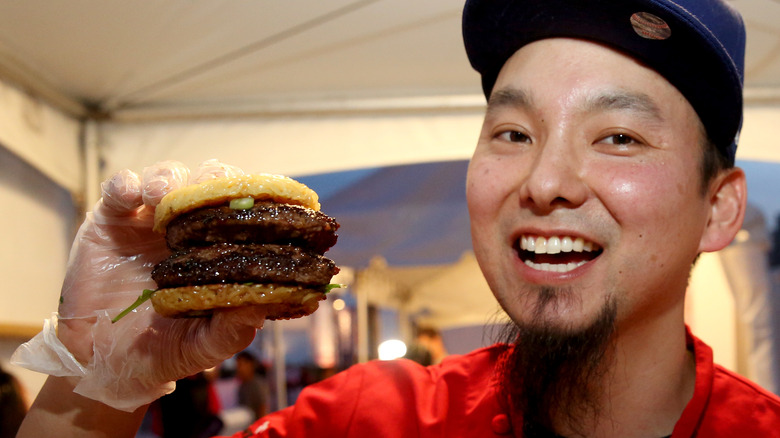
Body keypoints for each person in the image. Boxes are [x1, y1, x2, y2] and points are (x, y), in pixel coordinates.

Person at [11, 0, 780, 436]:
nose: (545, 180)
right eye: (513, 133)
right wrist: (95, 386)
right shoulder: (370, 421)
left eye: (618, 136)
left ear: (719, 209)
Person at [234, 351, 270, 421]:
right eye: (237, 365)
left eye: (240, 365)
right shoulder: (242, 386)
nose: (238, 369)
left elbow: (263, 408)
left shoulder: (257, 384)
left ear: (250, 365)